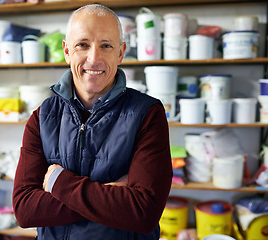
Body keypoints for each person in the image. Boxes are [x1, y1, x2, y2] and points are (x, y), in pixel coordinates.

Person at [12, 4, 172, 240]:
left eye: (106, 45)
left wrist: (58, 184)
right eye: (82, 45)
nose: (94, 58)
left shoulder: (147, 114)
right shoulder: (42, 117)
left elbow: (143, 212)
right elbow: (25, 209)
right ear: (67, 51)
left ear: (120, 52)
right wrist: (109, 196)